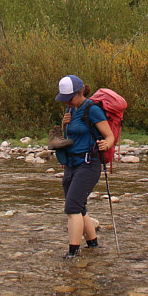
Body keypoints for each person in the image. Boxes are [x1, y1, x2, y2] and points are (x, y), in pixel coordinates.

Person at [55, 74, 115, 258]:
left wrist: (107, 144)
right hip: (72, 164)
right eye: (65, 99)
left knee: (72, 207)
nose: (68, 102)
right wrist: (64, 124)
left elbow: (109, 136)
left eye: (70, 98)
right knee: (79, 207)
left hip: (89, 164)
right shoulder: (70, 110)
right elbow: (70, 137)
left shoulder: (93, 109)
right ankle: (93, 245)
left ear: (80, 93)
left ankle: (72, 253)